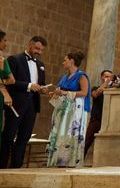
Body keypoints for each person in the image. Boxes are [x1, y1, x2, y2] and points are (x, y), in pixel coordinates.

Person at [0, 36, 47, 169]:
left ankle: (16, 167)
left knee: (24, 137)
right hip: (16, 104)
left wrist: (42, 89)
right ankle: (2, 166)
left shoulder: (41, 65)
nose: (39, 52)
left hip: (32, 106)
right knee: (8, 136)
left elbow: (41, 83)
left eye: (41, 50)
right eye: (37, 48)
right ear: (29, 45)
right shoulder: (14, 59)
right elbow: (8, 83)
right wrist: (28, 85)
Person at [46, 51, 91, 167]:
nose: (63, 62)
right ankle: (57, 160)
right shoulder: (65, 77)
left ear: (72, 61)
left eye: (65, 60)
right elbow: (61, 91)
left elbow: (84, 93)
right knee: (60, 133)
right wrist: (55, 93)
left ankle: (69, 161)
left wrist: (65, 92)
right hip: (62, 109)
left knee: (70, 133)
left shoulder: (81, 76)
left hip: (74, 110)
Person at [84, 69, 113, 158]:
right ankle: (79, 159)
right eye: (106, 76)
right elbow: (95, 94)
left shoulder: (112, 90)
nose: (108, 79)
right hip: (96, 119)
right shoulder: (95, 88)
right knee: (87, 140)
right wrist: (105, 84)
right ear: (102, 77)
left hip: (108, 120)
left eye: (110, 77)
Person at [0, 30, 16, 151]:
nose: (6, 43)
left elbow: (11, 80)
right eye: (4, 40)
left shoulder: (3, 60)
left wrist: (1, 83)